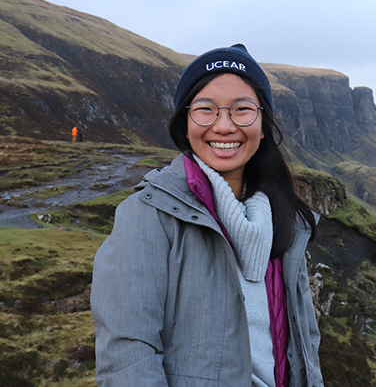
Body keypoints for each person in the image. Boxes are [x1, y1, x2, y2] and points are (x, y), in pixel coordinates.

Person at [91, 44, 324, 386]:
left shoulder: (285, 220)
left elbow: (306, 346)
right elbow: (127, 357)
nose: (225, 126)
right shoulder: (147, 215)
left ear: (263, 124)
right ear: (185, 124)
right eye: (206, 109)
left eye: (242, 109)